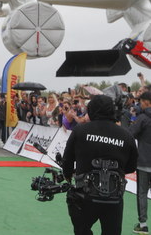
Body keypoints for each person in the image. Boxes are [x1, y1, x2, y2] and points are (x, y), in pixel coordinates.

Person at [62, 95, 138, 235]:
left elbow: (67, 159)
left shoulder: (80, 130)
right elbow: (132, 166)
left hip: (85, 196)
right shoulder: (126, 135)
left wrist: (67, 175)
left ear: (91, 110)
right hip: (114, 197)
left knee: (82, 230)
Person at [130, 91, 151, 234]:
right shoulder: (142, 117)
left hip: (144, 161)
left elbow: (130, 133)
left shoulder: (143, 117)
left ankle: (143, 224)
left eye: (141, 101)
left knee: (142, 193)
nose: (139, 104)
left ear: (146, 102)